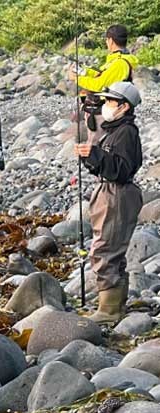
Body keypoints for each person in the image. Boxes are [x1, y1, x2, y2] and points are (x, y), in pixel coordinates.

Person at [74, 82, 143, 325]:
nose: (106, 106)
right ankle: (115, 304)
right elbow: (108, 164)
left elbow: (121, 169)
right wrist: (90, 155)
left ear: (124, 106)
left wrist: (94, 154)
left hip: (117, 194)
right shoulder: (116, 130)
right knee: (112, 247)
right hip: (110, 191)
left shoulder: (126, 132)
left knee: (105, 249)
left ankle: (110, 310)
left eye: (110, 102)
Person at [69, 24, 138, 145]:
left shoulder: (120, 63)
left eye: (107, 40)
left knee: (98, 146)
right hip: (105, 109)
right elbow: (102, 74)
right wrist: (85, 71)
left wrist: (77, 79)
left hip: (106, 111)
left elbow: (99, 85)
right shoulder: (116, 60)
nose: (106, 42)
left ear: (111, 41)